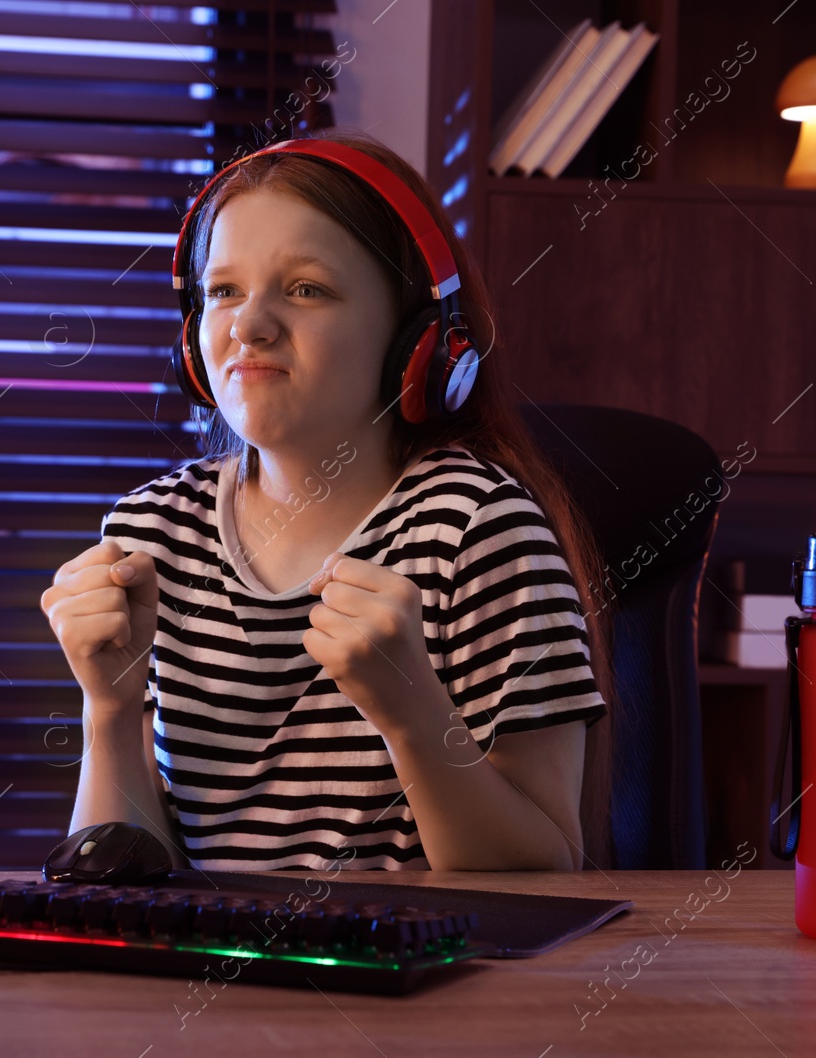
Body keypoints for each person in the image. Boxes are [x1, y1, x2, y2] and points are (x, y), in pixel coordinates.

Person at [40, 127, 615, 872]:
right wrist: (109, 710)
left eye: (306, 289)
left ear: (418, 339)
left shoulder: (478, 529)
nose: (248, 325)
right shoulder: (151, 536)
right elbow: (122, 882)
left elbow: (547, 871)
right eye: (223, 292)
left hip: (426, 985)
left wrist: (412, 713)